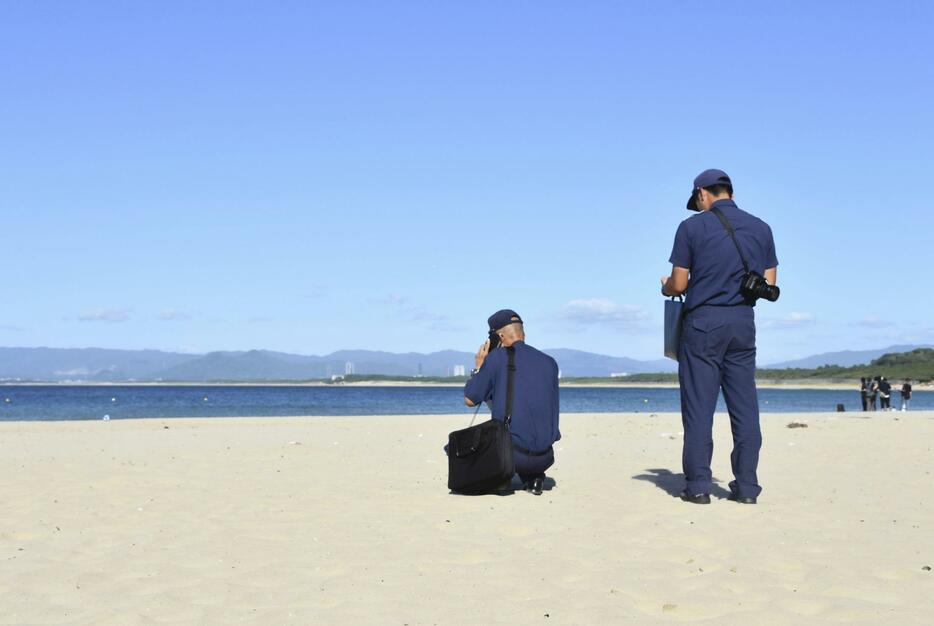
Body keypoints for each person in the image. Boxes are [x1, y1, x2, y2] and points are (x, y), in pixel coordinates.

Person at [661, 169, 778, 505]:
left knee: (699, 408)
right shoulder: (761, 227)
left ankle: (698, 485)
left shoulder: (691, 227)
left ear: (702, 193)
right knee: (745, 407)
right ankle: (747, 487)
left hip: (703, 322)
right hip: (743, 321)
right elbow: (769, 282)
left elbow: (679, 284)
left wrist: (664, 287)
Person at [463, 309, 561, 495]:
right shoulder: (549, 362)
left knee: (454, 448)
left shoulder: (496, 358)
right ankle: (534, 477)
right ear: (522, 332)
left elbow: (470, 399)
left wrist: (479, 368)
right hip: (545, 456)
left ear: (498, 336)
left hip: (513, 456)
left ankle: (501, 477)